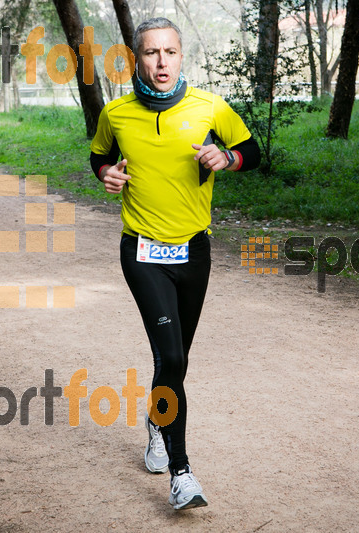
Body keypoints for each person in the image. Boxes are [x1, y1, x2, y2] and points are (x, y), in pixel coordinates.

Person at [90, 17, 260, 511]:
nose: (161, 62)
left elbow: (251, 150)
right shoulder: (117, 113)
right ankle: (182, 475)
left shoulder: (210, 106)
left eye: (169, 52)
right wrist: (107, 175)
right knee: (174, 360)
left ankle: (156, 418)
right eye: (151, 53)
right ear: (136, 60)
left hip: (194, 251)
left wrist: (225, 159)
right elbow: (99, 154)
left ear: (181, 56)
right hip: (141, 251)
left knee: (174, 360)